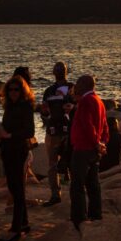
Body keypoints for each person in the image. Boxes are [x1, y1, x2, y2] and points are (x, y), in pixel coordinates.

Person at [0, 75, 35, 241]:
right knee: (14, 187)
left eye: (16, 89)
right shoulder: (10, 106)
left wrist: (9, 135)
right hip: (8, 149)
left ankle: (16, 229)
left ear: (22, 90)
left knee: (17, 188)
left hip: (18, 150)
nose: (13, 92)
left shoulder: (25, 106)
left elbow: (30, 131)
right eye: (10, 89)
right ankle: (24, 223)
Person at [69, 75, 108, 230]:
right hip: (93, 149)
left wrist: (96, 143)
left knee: (77, 185)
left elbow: (87, 125)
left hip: (83, 148)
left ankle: (79, 218)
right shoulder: (99, 101)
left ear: (84, 84)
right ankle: (96, 214)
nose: (75, 85)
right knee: (93, 184)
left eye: (78, 82)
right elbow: (104, 125)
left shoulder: (85, 101)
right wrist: (102, 143)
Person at [40, 62, 72, 206]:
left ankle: (56, 194)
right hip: (66, 130)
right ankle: (67, 192)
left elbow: (44, 112)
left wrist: (47, 119)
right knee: (67, 162)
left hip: (57, 130)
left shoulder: (49, 91)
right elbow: (44, 111)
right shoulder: (71, 88)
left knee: (53, 163)